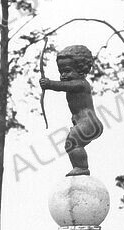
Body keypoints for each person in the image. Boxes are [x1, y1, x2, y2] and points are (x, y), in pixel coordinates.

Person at [39, 45, 104, 176]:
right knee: (71, 144)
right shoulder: (76, 84)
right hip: (84, 123)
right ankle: (79, 167)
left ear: (80, 70)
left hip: (89, 123)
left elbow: (64, 86)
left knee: (73, 142)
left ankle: (82, 167)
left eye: (67, 71)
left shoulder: (81, 84)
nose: (63, 75)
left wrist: (50, 84)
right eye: (61, 71)